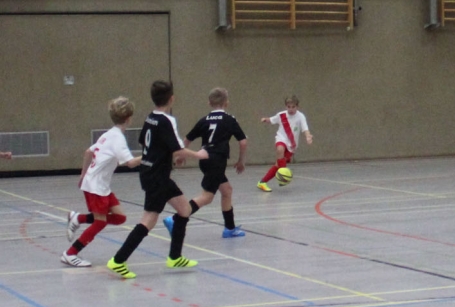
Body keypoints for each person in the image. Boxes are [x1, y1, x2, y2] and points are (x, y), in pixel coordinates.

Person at [106, 81, 208, 279]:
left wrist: (167, 157)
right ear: (171, 99)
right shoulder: (167, 120)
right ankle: (118, 260)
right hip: (157, 177)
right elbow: (178, 149)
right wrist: (199, 155)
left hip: (151, 173)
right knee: (148, 220)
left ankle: (175, 257)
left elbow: (147, 143)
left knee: (184, 209)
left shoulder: (150, 118)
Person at [62, 97, 143, 267]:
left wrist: (83, 174)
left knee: (119, 217)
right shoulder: (117, 138)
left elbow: (88, 152)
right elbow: (130, 163)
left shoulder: (108, 134)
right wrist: (151, 155)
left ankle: (78, 218)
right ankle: (70, 253)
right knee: (100, 222)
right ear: (129, 118)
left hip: (99, 184)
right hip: (96, 186)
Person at [163, 88, 248, 239]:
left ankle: (229, 228)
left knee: (226, 190)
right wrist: (241, 161)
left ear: (209, 103)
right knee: (207, 197)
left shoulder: (204, 120)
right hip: (217, 161)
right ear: (226, 103)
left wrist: (181, 156)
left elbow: (187, 139)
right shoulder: (230, 120)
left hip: (205, 160)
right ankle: (175, 219)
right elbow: (243, 142)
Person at [258, 95, 313, 191]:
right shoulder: (281, 115)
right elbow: (272, 119)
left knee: (277, 165)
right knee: (280, 149)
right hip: (281, 138)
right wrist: (265, 120)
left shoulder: (300, 116)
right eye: (288, 107)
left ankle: (262, 182)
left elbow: (305, 128)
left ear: (297, 107)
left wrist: (308, 136)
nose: (290, 109)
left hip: (292, 145)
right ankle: (283, 175)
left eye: (293, 107)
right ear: (286, 106)